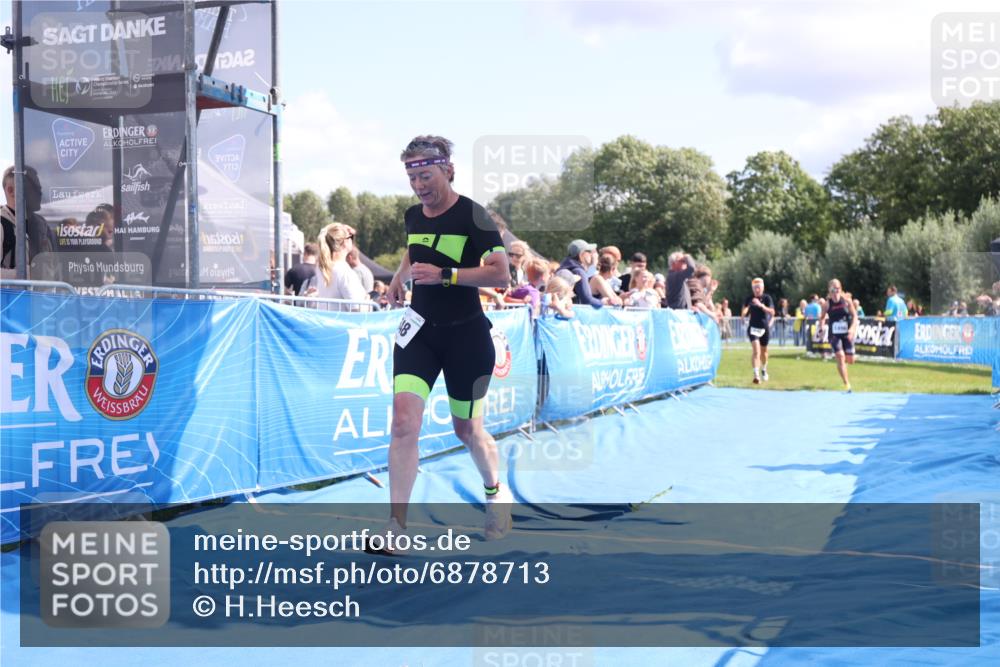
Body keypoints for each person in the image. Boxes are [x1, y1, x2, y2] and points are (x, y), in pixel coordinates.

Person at [383, 135, 513, 549]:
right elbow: (414, 250)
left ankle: (495, 491)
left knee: (467, 429)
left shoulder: (473, 216)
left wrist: (446, 276)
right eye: (412, 177)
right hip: (419, 332)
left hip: (467, 337)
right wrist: (397, 279)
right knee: (404, 424)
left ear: (447, 170)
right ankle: (396, 526)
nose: (419, 185)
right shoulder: (412, 215)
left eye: (426, 175)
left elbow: (500, 274)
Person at [1, 165, 56, 276]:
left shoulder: (42, 225)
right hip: (14, 294)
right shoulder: (2, 224)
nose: (40, 192)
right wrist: (28, 274)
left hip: (46, 293)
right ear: (11, 190)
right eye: (34, 187)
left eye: (40, 187)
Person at [310, 223, 370, 311]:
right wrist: (367, 303)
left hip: (327, 323)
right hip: (345, 324)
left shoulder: (321, 268)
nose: (352, 241)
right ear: (345, 242)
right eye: (351, 238)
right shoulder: (345, 272)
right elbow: (357, 309)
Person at [821, 278, 858, 393]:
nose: (835, 291)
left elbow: (855, 317)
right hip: (834, 334)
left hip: (847, 333)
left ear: (840, 289)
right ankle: (847, 384)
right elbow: (821, 318)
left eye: (837, 289)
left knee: (850, 360)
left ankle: (843, 364)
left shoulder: (847, 301)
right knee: (840, 357)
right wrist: (821, 326)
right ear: (829, 290)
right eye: (833, 289)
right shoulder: (827, 305)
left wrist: (852, 329)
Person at [742, 277, 775, 384]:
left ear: (762, 288)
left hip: (764, 328)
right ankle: (756, 375)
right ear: (752, 288)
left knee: (764, 352)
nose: (757, 289)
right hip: (753, 328)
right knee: (756, 351)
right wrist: (744, 313)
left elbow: (772, 312)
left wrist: (761, 305)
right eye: (755, 287)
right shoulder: (749, 298)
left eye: (759, 287)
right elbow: (745, 309)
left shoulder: (767, 298)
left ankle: (764, 369)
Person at [558, 239, 608, 308]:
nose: (592, 255)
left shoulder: (565, 267)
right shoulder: (579, 271)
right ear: (582, 254)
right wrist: (602, 302)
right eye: (589, 252)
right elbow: (587, 300)